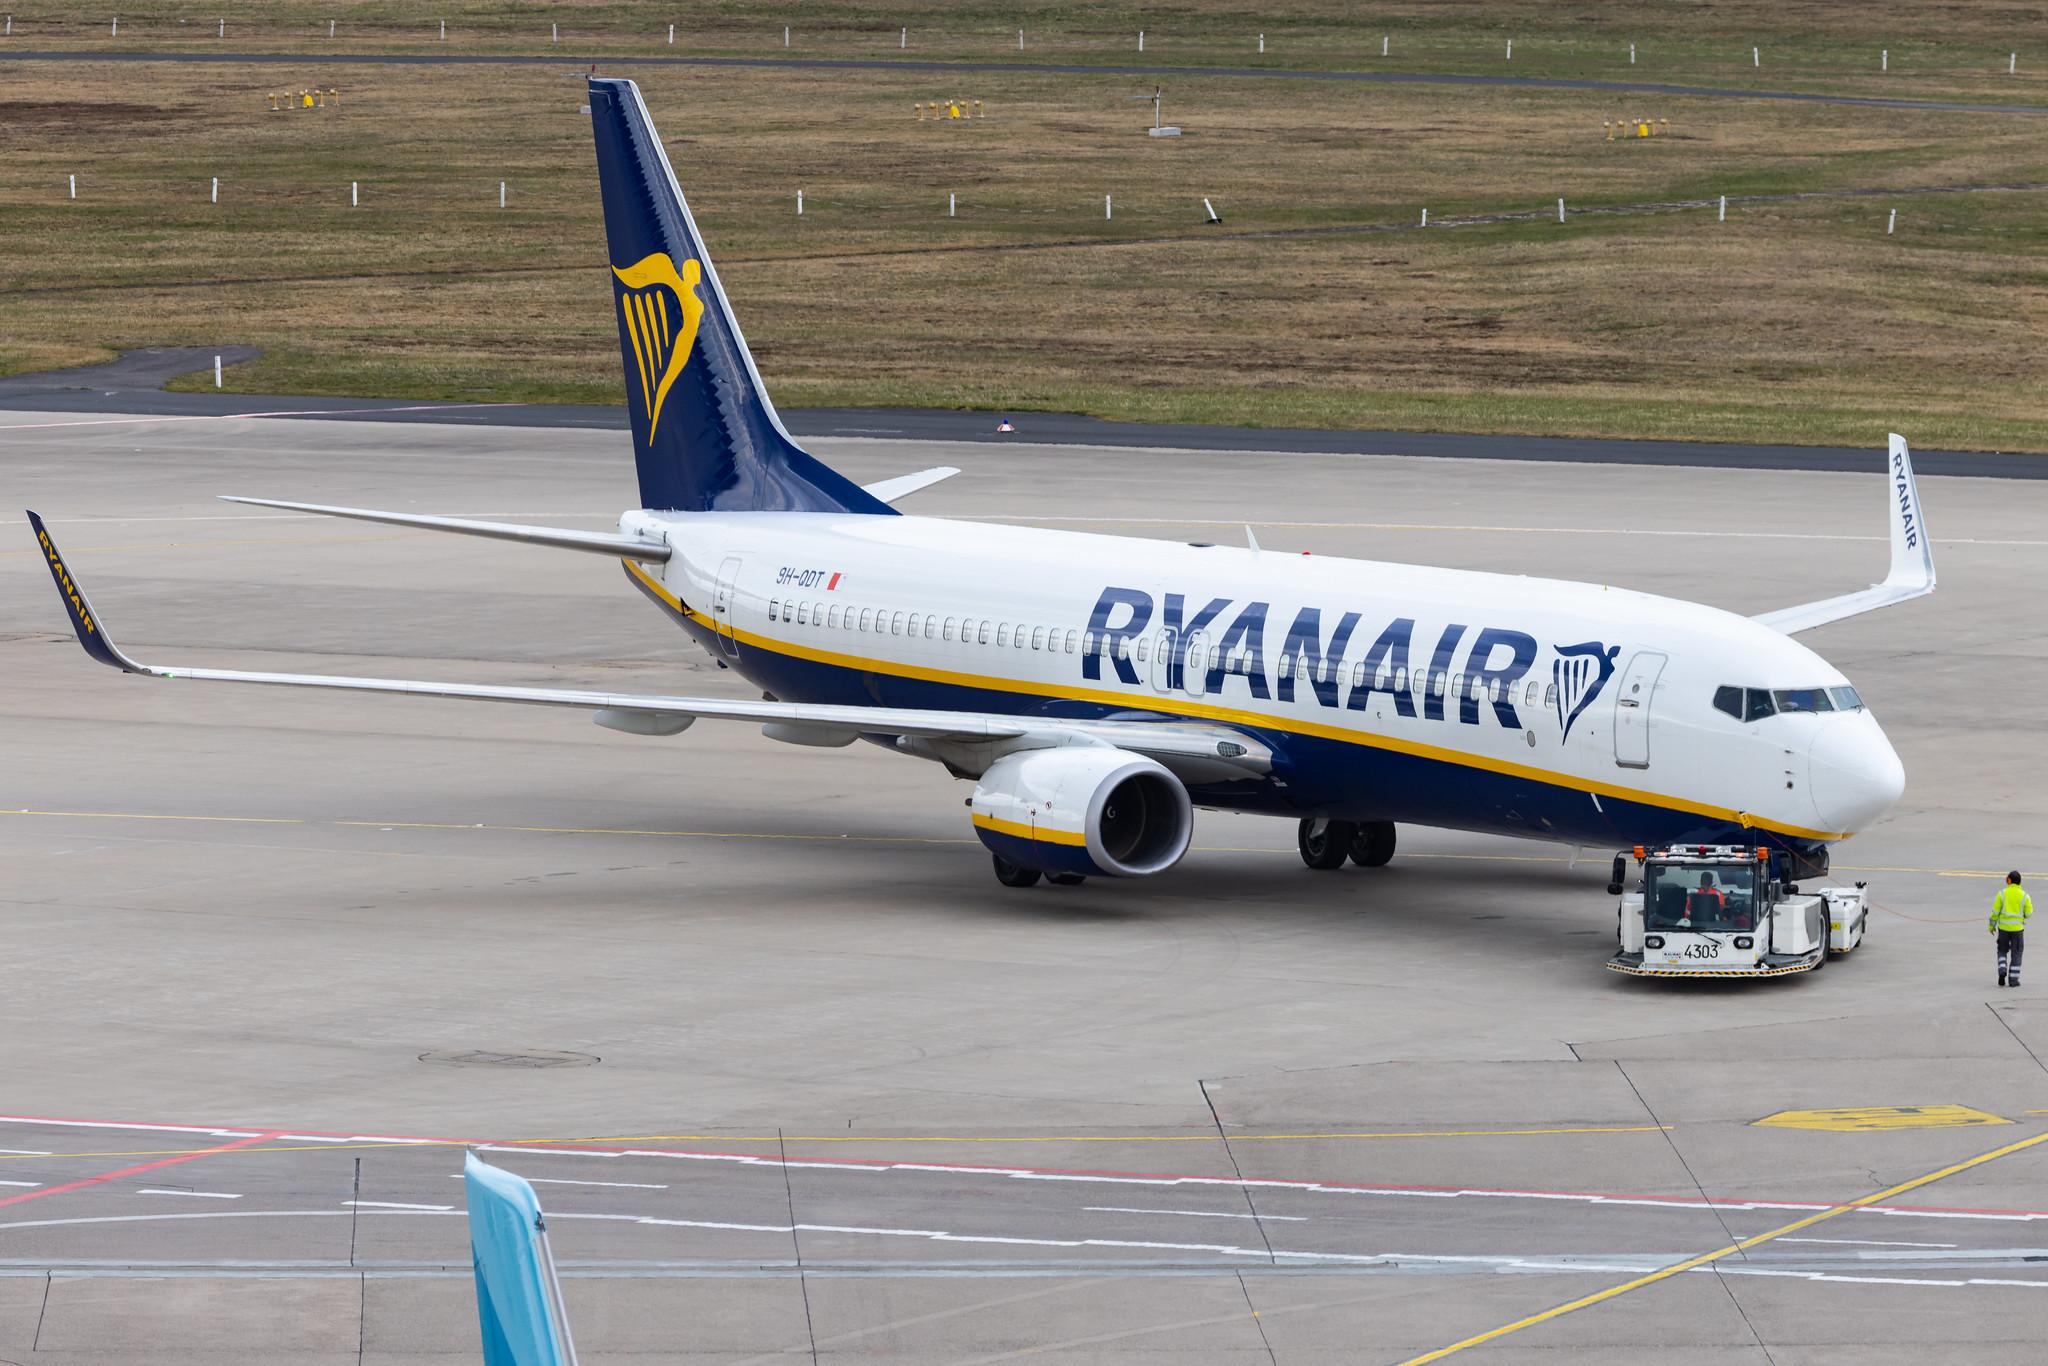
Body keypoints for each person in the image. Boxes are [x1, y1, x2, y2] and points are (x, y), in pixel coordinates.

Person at [1990, 871, 2033, 988]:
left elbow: (1995, 913)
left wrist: (1991, 926)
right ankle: (2013, 980)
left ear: (2009, 880)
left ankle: (2002, 969)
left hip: (2003, 929)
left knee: (2002, 950)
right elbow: (2029, 913)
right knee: (2017, 954)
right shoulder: (2024, 895)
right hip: (2018, 930)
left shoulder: (2002, 894)